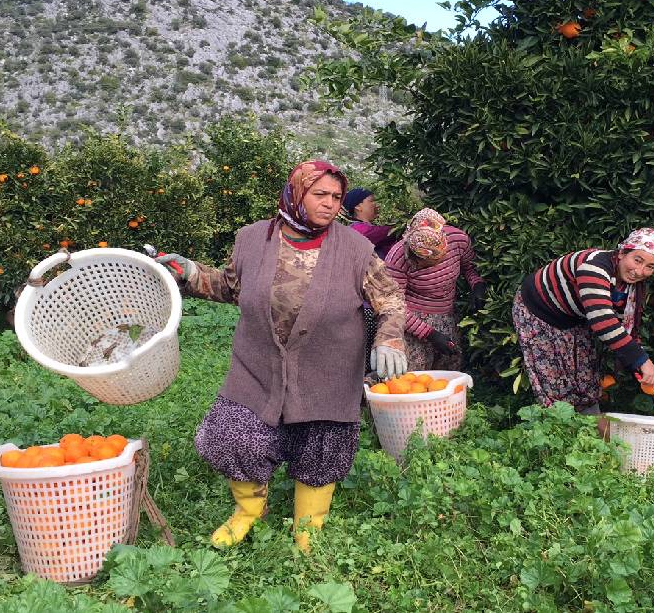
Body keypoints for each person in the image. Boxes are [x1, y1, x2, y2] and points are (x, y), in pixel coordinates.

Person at [155, 160, 407, 553]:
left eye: (336, 197)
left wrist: (389, 339)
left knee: (322, 444)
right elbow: (230, 286)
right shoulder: (252, 238)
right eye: (319, 194)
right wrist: (190, 272)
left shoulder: (355, 249)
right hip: (259, 365)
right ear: (295, 192)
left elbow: (390, 299)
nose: (329, 204)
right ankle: (249, 510)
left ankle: (308, 527)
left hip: (329, 368)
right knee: (232, 433)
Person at [512, 228, 654, 415]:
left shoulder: (630, 286)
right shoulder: (594, 267)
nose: (639, 271)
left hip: (575, 315)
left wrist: (643, 370)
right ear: (622, 253)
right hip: (540, 311)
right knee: (556, 379)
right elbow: (604, 322)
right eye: (637, 260)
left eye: (650, 266)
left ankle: (588, 425)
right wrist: (643, 362)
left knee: (586, 375)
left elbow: (624, 328)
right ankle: (561, 424)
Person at [384, 208, 486, 372]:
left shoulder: (458, 240)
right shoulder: (397, 257)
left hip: (447, 315)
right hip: (412, 320)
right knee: (415, 376)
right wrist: (429, 334)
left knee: (447, 372)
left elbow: (470, 267)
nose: (430, 265)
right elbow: (394, 307)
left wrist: (477, 284)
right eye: (423, 261)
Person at [341, 187, 398, 259]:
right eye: (372, 201)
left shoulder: (370, 231)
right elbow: (388, 232)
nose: (377, 204)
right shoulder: (357, 230)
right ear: (358, 206)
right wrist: (401, 227)